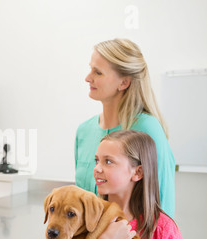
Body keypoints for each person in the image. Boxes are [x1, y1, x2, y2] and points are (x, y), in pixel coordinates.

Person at [62, 130, 205, 239]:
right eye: (97, 160)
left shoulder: (162, 227)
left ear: (137, 173)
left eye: (108, 161)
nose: (97, 168)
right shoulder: (86, 218)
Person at [75, 38, 176, 218]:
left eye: (97, 72)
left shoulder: (147, 129)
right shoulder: (84, 131)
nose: (87, 78)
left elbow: (162, 206)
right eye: (90, 69)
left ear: (123, 83)